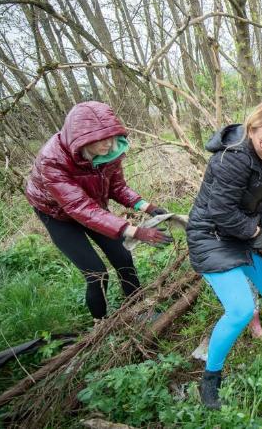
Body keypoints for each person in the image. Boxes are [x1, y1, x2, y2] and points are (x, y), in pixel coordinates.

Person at [186, 102, 262, 410]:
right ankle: (210, 379)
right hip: (212, 237)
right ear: (250, 132)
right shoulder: (233, 160)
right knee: (241, 310)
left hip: (243, 231)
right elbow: (220, 211)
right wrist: (256, 235)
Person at [25, 101, 173, 321]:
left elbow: (117, 187)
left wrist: (147, 207)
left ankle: (138, 309)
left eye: (111, 137)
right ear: (82, 140)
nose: (108, 144)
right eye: (100, 140)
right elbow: (80, 208)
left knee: (123, 257)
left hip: (92, 206)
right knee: (96, 272)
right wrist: (136, 231)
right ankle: (101, 324)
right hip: (57, 215)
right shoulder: (52, 160)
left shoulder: (110, 153)